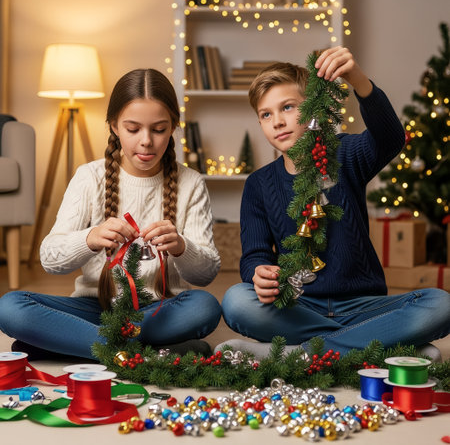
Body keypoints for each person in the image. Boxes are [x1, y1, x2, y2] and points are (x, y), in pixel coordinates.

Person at [216, 47, 450, 361]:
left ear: (312, 109)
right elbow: (254, 255)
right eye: (266, 114)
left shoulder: (345, 154)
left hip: (364, 306)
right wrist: (258, 273)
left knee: (440, 304)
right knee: (236, 300)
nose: (278, 121)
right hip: (298, 306)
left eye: (288, 107)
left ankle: (300, 355)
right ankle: (375, 347)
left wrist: (358, 80)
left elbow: (391, 138)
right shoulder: (258, 185)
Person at [0, 68, 222, 360]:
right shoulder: (89, 177)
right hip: (95, 309)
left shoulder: (190, 182)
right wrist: (89, 238)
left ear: (173, 127)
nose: (146, 141)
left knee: (205, 307)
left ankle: (79, 346)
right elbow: (50, 259)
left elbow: (206, 274)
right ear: (114, 126)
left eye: (159, 129)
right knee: (11, 307)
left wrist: (182, 247)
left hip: (157, 309)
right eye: (133, 129)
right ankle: (141, 351)